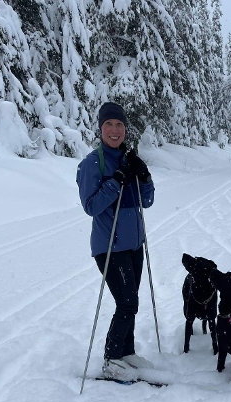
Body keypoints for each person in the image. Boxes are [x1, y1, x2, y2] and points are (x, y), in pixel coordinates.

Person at [76, 102, 155, 381]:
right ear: (100, 128)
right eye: (109, 124)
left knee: (132, 301)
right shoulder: (92, 163)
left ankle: (126, 351)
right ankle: (111, 360)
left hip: (134, 245)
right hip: (109, 247)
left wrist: (143, 176)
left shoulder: (128, 159)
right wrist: (115, 181)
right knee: (126, 302)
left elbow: (146, 201)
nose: (114, 130)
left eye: (119, 125)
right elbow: (91, 206)